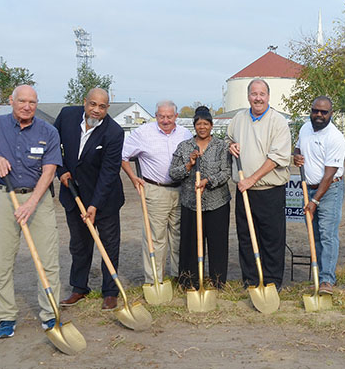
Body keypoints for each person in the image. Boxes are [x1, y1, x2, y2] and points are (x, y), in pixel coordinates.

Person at [0, 85, 63, 338]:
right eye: (22, 101)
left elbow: (49, 171)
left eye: (32, 102)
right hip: (4, 198)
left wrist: (31, 203)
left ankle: (51, 315)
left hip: (38, 199)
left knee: (48, 260)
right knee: (2, 260)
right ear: (11, 101)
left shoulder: (48, 131)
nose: (27, 106)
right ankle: (6, 317)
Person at [54, 88, 125, 311]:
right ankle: (78, 288)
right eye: (92, 104)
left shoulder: (113, 132)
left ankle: (110, 291)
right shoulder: (67, 116)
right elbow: (53, 146)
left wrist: (94, 205)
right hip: (73, 194)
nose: (96, 110)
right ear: (85, 102)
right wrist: (61, 171)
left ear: (107, 108)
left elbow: (109, 172)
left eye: (102, 107)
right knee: (79, 244)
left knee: (109, 245)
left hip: (105, 198)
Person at [227, 79, 292, 288]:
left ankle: (272, 282)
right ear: (248, 96)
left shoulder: (278, 121)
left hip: (269, 191)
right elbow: (229, 139)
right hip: (244, 191)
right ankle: (252, 280)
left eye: (262, 94)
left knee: (271, 238)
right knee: (246, 237)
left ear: (268, 96)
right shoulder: (238, 118)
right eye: (254, 94)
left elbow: (276, 158)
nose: (258, 98)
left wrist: (251, 180)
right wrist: (231, 145)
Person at [121, 100, 192, 289]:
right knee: (156, 238)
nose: (166, 120)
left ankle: (179, 277)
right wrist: (133, 178)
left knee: (179, 236)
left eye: (169, 116)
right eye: (161, 116)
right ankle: (155, 279)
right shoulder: (143, 133)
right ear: (156, 115)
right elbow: (123, 155)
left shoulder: (185, 134)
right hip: (155, 190)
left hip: (181, 190)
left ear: (176, 117)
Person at [169, 106, 231, 289]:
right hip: (190, 203)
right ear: (194, 126)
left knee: (217, 243)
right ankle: (190, 280)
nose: (202, 127)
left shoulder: (221, 146)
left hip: (217, 202)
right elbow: (173, 173)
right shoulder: (185, 146)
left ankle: (217, 280)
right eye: (198, 124)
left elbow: (226, 172)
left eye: (205, 124)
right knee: (191, 243)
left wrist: (208, 181)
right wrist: (189, 164)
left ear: (211, 126)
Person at [293, 96, 345, 294]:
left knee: (327, 235)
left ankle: (327, 281)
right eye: (316, 110)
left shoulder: (335, 138)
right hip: (308, 188)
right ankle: (317, 277)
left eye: (324, 112)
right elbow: (298, 147)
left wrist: (315, 201)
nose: (319, 115)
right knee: (313, 234)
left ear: (330, 114)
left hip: (329, 189)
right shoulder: (305, 128)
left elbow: (330, 173)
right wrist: (296, 155)